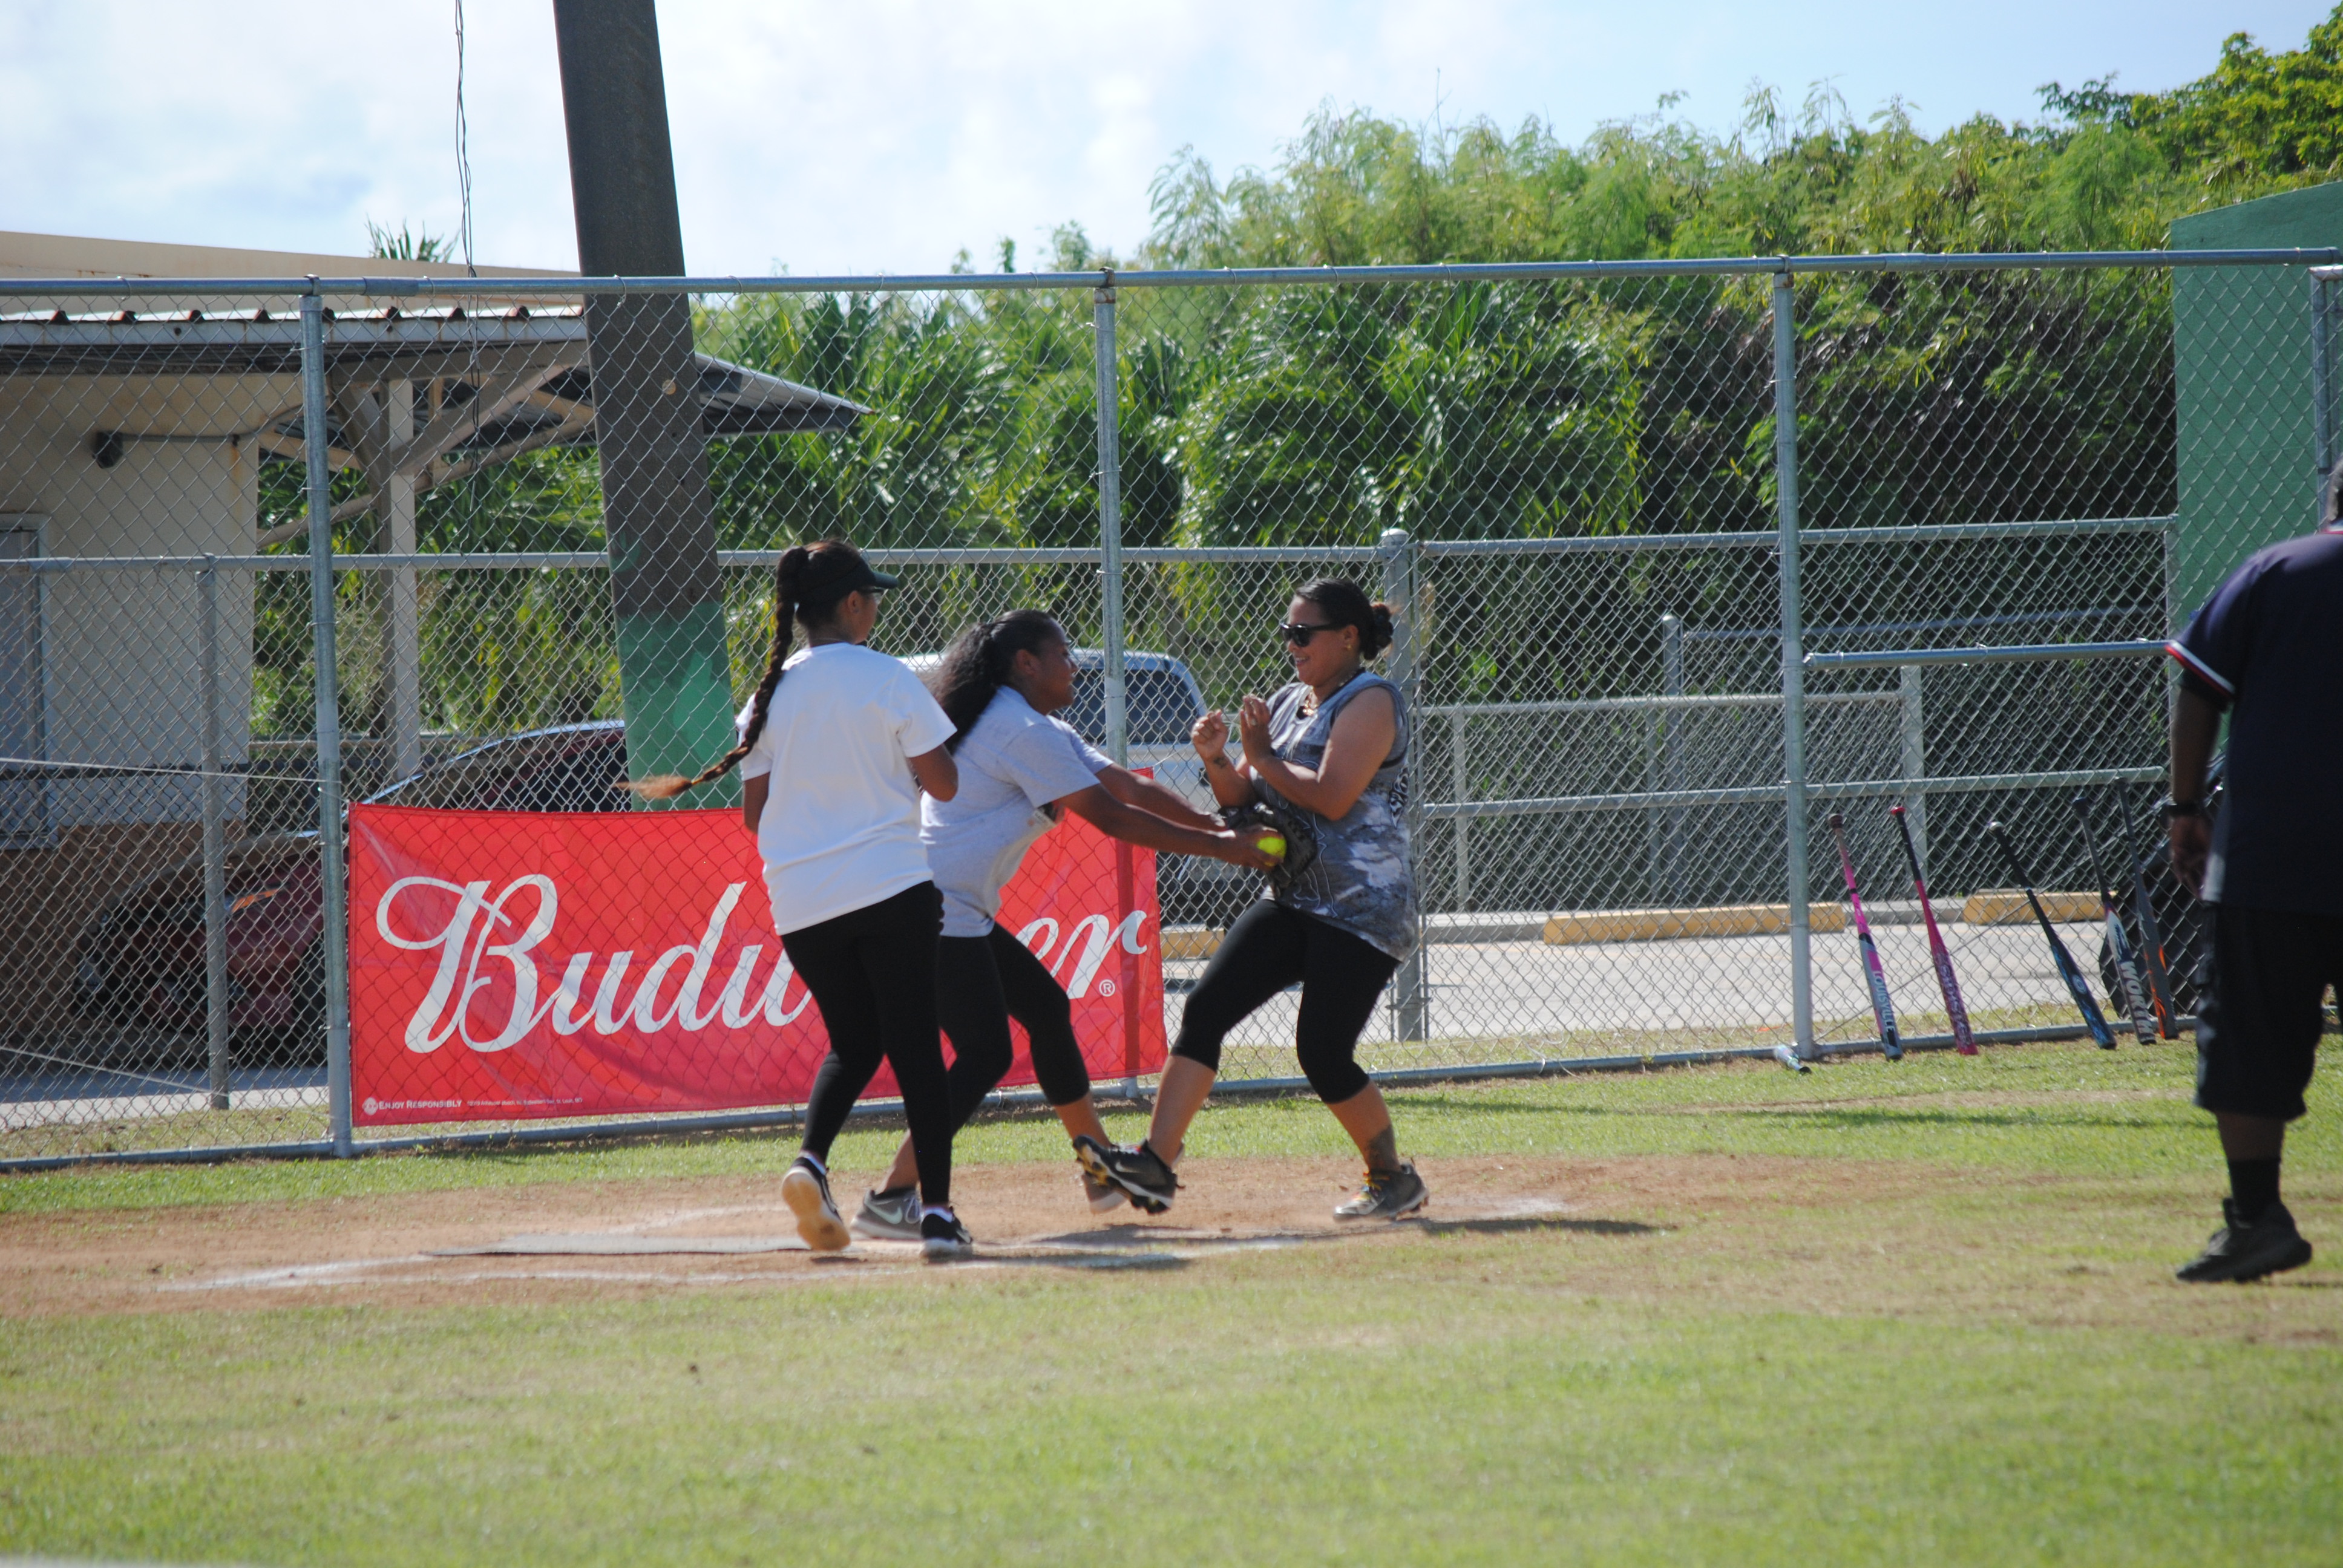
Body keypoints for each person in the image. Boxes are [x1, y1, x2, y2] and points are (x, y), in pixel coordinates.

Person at [845, 611, 1280, 1240]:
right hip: (928, 909)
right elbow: (1113, 819)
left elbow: (1128, 786)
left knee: (1045, 1007)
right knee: (987, 1051)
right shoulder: (1018, 727)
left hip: (945, 907)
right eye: (1061, 653)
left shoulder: (1035, 724)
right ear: (1026, 663)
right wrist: (1227, 851)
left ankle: (1096, 1168)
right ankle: (893, 1196)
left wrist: (1217, 827)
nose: (1072, 664)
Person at [632, 540, 971, 1260]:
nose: (875, 607)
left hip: (802, 906)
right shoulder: (887, 678)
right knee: (915, 1050)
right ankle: (936, 1214)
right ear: (850, 606)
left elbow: (755, 816)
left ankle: (810, 1163)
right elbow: (944, 785)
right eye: (870, 597)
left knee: (855, 1041)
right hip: (889, 887)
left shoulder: (772, 691)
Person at [1078, 579, 1427, 1220]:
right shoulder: (1292, 700)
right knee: (1207, 1007)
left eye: (1303, 634)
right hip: (1296, 900)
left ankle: (1391, 1176)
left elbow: (1331, 794)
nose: (1290, 646)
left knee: (1322, 1053)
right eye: (1286, 634)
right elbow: (1238, 798)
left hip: (1362, 911)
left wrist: (1259, 754)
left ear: (1347, 638)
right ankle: (1155, 1165)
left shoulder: (1371, 700)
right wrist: (1216, 759)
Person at [2163, 459, 2343, 1284]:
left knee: (2246, 1036)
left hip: (2274, 852)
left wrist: (2184, 806)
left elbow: (2200, 688)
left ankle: (2254, 1219)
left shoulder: (2274, 570)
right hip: (2276, 854)